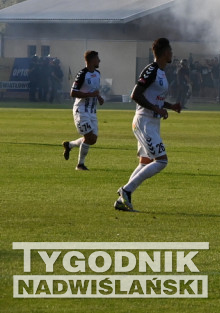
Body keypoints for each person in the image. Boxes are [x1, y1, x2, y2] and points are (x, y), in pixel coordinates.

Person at [114, 38, 182, 212]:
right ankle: (127, 190)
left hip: (152, 122)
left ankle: (122, 199)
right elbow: (135, 95)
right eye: (170, 50)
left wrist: (170, 106)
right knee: (161, 161)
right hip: (144, 121)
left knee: (144, 162)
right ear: (165, 52)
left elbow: (154, 98)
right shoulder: (151, 70)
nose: (172, 53)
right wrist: (155, 109)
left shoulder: (161, 71)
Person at [63, 50, 105, 171]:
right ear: (92, 60)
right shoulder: (82, 74)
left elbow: (94, 90)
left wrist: (98, 97)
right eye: (97, 59)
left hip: (92, 111)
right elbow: (73, 93)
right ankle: (80, 165)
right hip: (81, 110)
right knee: (89, 137)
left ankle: (69, 145)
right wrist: (91, 94)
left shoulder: (97, 73)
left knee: (93, 140)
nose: (99, 61)